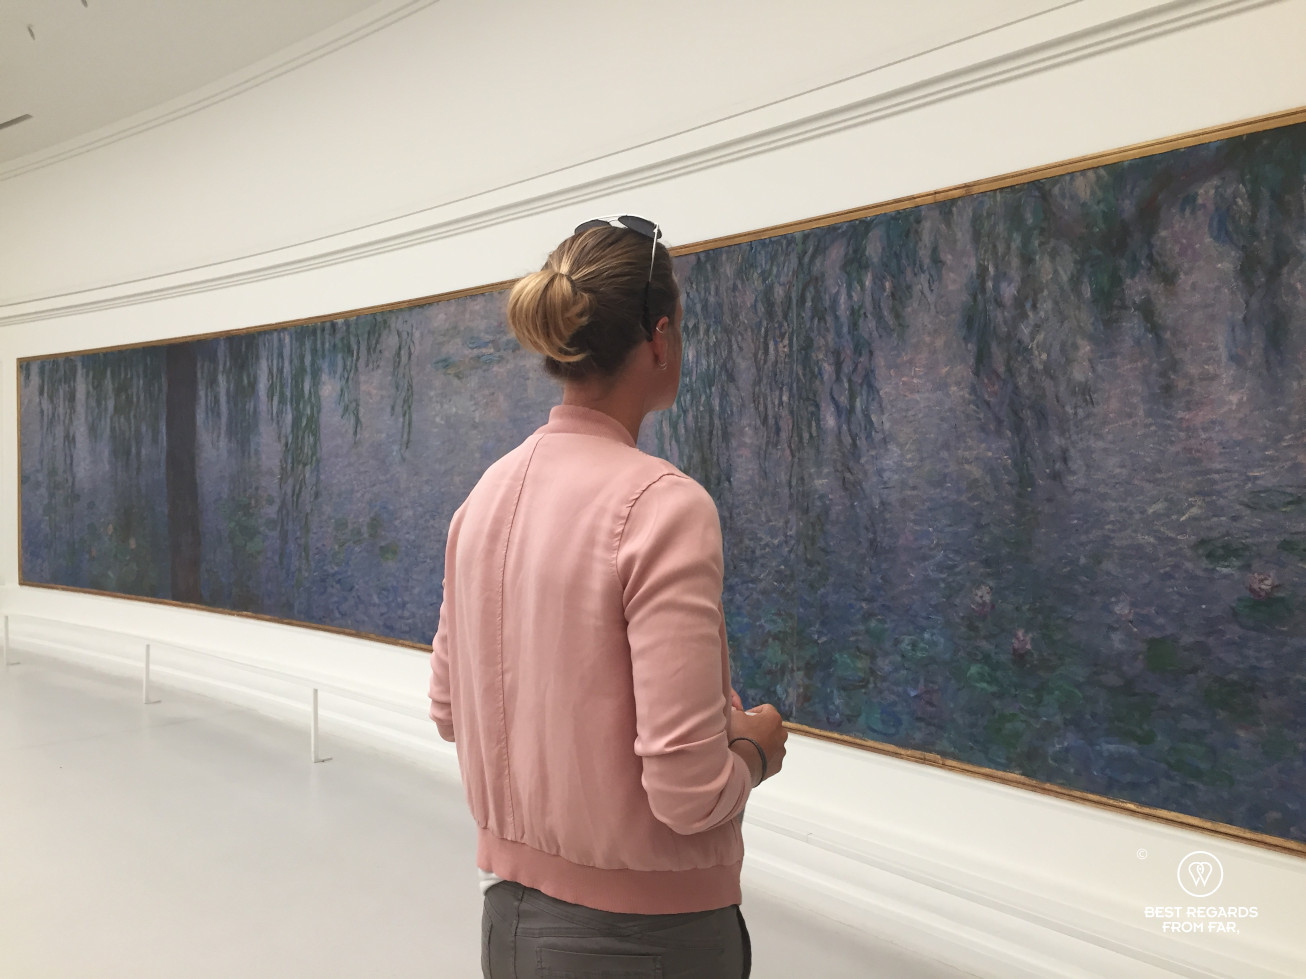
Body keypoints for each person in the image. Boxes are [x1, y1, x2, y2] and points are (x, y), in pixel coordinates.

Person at [428, 215, 788, 979]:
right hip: (650, 940)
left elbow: (449, 710)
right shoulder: (664, 506)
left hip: (510, 924)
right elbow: (688, 793)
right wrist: (757, 746)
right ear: (660, 338)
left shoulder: (483, 497)